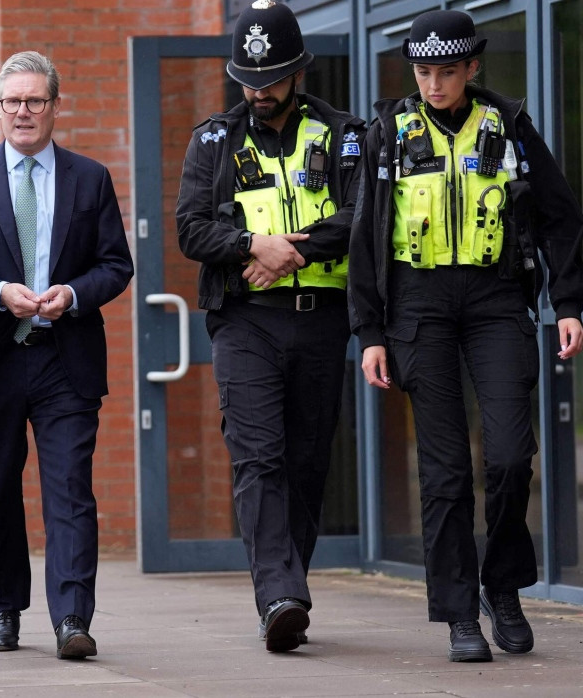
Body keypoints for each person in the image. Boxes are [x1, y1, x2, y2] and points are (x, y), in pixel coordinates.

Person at [349, 10, 583, 662]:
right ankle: (459, 614)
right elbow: (366, 239)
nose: (433, 84)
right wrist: (369, 330)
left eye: (446, 72)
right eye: (423, 72)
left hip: (495, 300)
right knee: (446, 472)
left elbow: (560, 215)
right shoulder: (389, 133)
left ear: (471, 68)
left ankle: (501, 585)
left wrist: (567, 301)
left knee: (510, 457)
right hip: (419, 308)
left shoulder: (506, 123)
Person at [175, 0, 366, 653]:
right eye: (248, 81)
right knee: (258, 458)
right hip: (246, 322)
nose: (258, 92)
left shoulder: (343, 135)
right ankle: (278, 596)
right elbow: (191, 228)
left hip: (320, 318)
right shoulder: (212, 141)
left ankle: (287, 588)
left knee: (307, 463)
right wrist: (253, 244)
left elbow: (362, 217)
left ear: (299, 73)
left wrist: (297, 250)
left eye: (272, 80)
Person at [0, 50, 133, 660]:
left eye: (35, 101)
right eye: (12, 102)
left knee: (70, 490)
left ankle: (73, 618)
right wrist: (0, 294)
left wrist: (73, 294)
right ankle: (4, 609)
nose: (23, 112)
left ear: (55, 105)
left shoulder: (89, 177)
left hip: (65, 358)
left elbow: (116, 265)